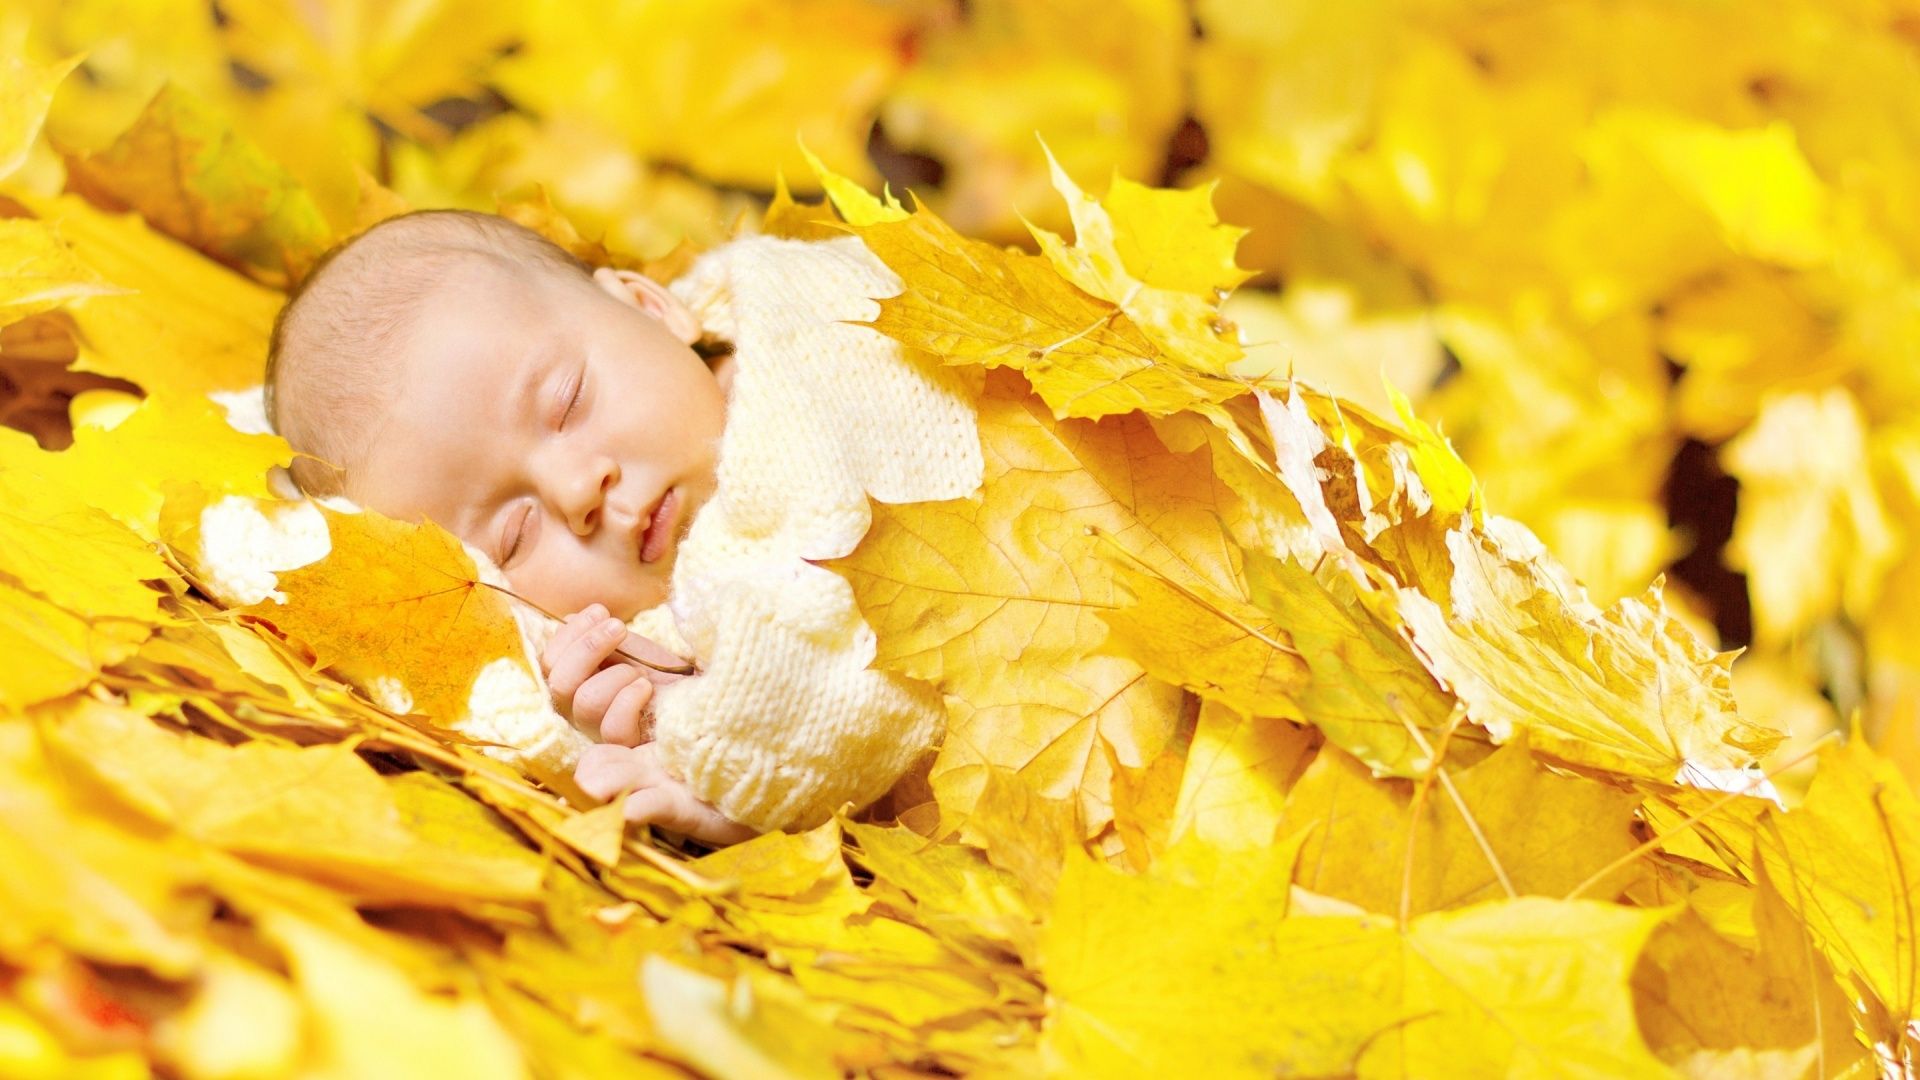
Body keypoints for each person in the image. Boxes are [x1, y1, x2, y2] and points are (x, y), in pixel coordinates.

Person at [264, 208, 984, 845]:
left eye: (568, 402)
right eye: (515, 534)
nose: (578, 488)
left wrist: (721, 759)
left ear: (651, 307)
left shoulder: (819, 342)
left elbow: (870, 667)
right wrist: (659, 710)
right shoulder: (657, 626)